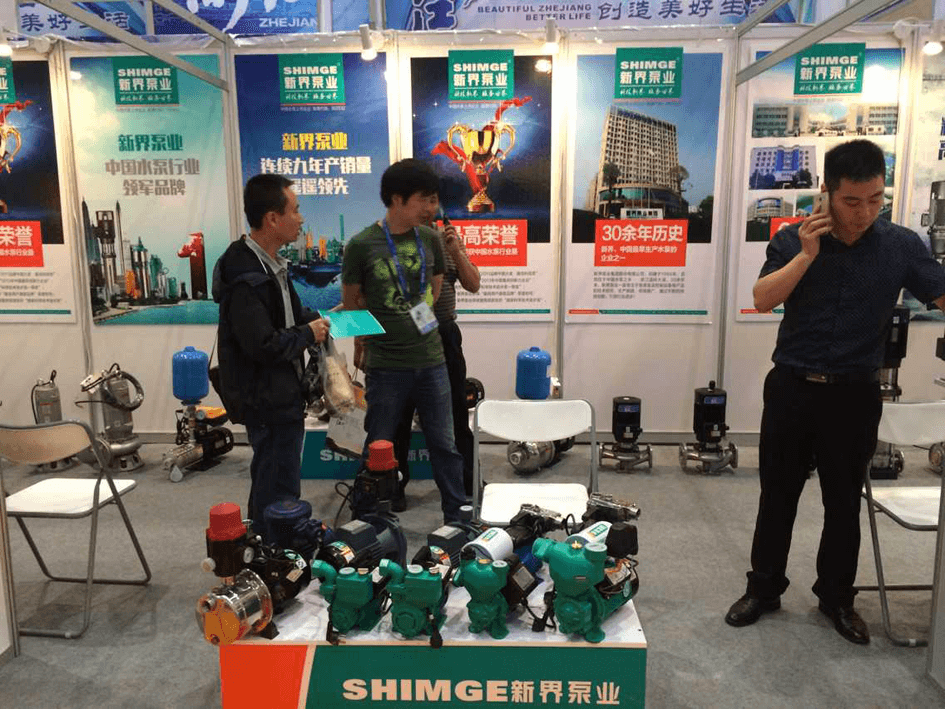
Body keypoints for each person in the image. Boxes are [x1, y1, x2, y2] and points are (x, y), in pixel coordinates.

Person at [725, 140, 945, 645]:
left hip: (854, 393)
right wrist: (807, 256)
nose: (864, 212)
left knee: (843, 502)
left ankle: (837, 599)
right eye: (851, 201)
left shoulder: (900, 245)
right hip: (793, 387)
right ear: (827, 191)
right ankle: (763, 589)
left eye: (876, 199)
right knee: (777, 497)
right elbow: (762, 299)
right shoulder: (792, 239)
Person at [341, 159, 466, 524]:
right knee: (378, 444)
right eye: (424, 199)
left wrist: (414, 311)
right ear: (397, 199)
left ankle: (457, 517)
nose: (432, 208)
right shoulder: (361, 245)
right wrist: (363, 344)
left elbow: (435, 289)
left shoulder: (430, 239)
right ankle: (364, 518)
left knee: (445, 445)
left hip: (432, 362)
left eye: (434, 199)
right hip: (386, 367)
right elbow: (350, 304)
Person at [212, 174, 330, 539]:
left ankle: (273, 545)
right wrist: (308, 333)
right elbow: (262, 344)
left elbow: (286, 317)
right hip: (266, 397)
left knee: (277, 477)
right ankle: (270, 549)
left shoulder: (269, 265)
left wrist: (322, 320)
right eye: (295, 210)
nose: (301, 219)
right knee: (275, 482)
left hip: (281, 393)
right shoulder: (246, 275)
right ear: (273, 219)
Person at [392, 212, 480, 511]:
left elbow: (473, 283)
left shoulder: (448, 241)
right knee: (400, 415)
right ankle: (393, 485)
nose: (430, 208)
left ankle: (467, 480)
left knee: (456, 410)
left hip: (444, 335)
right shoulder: (399, 242)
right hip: (406, 337)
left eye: (433, 201)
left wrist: (456, 251)